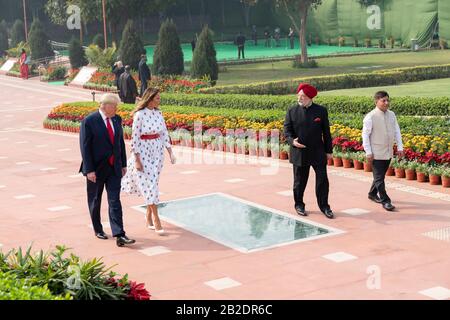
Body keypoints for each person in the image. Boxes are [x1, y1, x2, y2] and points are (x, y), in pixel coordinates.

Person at [79, 93, 136, 247]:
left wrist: (123, 164)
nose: (117, 108)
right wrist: (89, 170)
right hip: (96, 170)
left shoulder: (117, 119)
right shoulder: (89, 121)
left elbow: (120, 143)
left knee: (114, 200)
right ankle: (98, 229)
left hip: (114, 168)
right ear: (105, 105)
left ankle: (119, 234)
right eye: (115, 105)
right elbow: (85, 148)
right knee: (95, 200)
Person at [121, 87, 176, 235]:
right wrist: (137, 159)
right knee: (149, 185)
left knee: (153, 184)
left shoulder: (159, 113)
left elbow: (164, 132)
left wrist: (170, 152)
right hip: (143, 151)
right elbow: (135, 138)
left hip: (157, 151)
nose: (159, 100)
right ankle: (157, 219)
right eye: (157, 98)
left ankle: (148, 217)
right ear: (150, 98)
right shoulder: (139, 115)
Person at [284, 83, 334, 219]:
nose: (300, 98)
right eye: (299, 96)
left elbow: (326, 133)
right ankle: (299, 204)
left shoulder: (321, 111)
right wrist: (292, 141)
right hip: (299, 152)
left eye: (303, 96)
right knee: (299, 181)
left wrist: (329, 150)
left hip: (318, 151)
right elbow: (287, 131)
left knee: (322, 180)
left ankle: (324, 206)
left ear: (310, 98)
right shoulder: (291, 111)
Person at [362, 91, 404, 212]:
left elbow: (397, 131)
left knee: (379, 176)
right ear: (376, 102)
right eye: (383, 100)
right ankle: (386, 201)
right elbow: (365, 135)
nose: (386, 103)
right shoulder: (370, 116)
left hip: (388, 151)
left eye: (387, 100)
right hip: (376, 152)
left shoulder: (392, 114)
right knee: (380, 178)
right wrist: (368, 152)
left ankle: (372, 193)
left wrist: (400, 147)